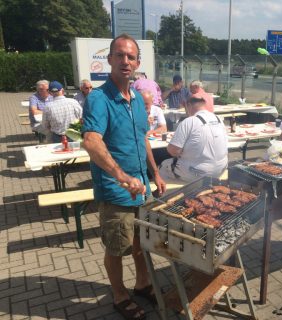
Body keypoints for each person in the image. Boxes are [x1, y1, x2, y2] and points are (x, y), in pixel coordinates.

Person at [82, 33, 166, 320]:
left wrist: (155, 173)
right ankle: (119, 295)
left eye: (131, 56)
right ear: (110, 60)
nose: (125, 61)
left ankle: (142, 284)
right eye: (120, 55)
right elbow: (92, 142)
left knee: (141, 241)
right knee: (117, 246)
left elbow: (143, 139)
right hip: (116, 191)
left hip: (142, 187)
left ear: (138, 62)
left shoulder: (137, 101)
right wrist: (121, 176)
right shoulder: (99, 98)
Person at [159, 97, 228, 182]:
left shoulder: (189, 121)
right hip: (221, 168)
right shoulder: (218, 119)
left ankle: (169, 193)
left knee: (164, 165)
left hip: (198, 173)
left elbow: (173, 151)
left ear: (189, 106)